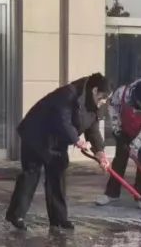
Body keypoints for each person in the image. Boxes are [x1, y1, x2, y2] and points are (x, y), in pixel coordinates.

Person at [6, 73, 111, 231]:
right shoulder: (68, 94)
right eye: (103, 97)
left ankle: (59, 219)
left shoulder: (95, 104)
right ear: (95, 90)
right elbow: (62, 120)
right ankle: (16, 215)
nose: (104, 102)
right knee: (31, 174)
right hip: (36, 134)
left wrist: (100, 153)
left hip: (57, 140)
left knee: (57, 174)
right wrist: (77, 140)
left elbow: (93, 130)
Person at [95, 77, 141, 206]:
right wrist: (117, 130)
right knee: (119, 160)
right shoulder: (122, 93)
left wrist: (135, 145)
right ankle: (112, 193)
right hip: (124, 130)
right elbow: (113, 109)